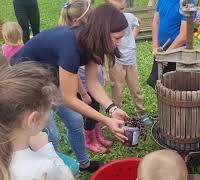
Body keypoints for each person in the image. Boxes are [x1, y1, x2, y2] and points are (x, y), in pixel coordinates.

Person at [10, 4, 129, 172]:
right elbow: (69, 99)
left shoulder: (92, 41)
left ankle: (83, 163)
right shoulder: (71, 47)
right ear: (103, 32)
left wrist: (112, 109)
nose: (119, 43)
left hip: (49, 78)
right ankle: (53, 170)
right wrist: (107, 121)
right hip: (25, 83)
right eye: (117, 38)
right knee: (50, 135)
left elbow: (93, 83)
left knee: (75, 121)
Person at [0, 62, 74, 180]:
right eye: (48, 110)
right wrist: (46, 150)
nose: (49, 115)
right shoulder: (43, 167)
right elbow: (67, 177)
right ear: (33, 120)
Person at [58, 0, 112, 154]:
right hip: (82, 86)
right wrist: (82, 93)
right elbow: (71, 74)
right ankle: (89, 140)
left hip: (94, 82)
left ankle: (97, 135)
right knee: (88, 115)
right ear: (79, 21)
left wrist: (105, 72)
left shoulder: (87, 36)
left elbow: (96, 59)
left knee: (97, 108)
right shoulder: (71, 43)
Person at [106, 0, 151, 125]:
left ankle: (141, 112)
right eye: (116, 10)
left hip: (131, 60)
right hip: (116, 61)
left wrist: (133, 37)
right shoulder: (108, 22)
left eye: (121, 10)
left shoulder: (129, 17)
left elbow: (138, 24)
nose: (119, 13)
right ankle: (117, 114)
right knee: (117, 91)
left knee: (135, 89)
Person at [147, 0, 190, 89]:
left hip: (177, 52)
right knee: (157, 83)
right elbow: (156, 22)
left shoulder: (187, 2)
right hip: (161, 50)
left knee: (175, 88)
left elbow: (184, 35)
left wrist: (167, 54)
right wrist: (155, 47)